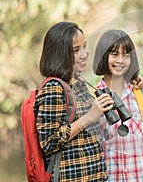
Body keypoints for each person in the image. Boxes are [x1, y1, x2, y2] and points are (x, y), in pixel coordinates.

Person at [34, 21, 114, 181]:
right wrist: (89, 117)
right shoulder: (54, 88)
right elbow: (49, 142)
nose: (84, 54)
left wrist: (132, 80)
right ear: (59, 54)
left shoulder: (77, 82)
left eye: (84, 46)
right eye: (76, 50)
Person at [93, 29, 143, 181]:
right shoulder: (92, 101)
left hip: (141, 176)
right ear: (103, 56)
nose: (120, 60)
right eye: (114, 54)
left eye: (126, 55)